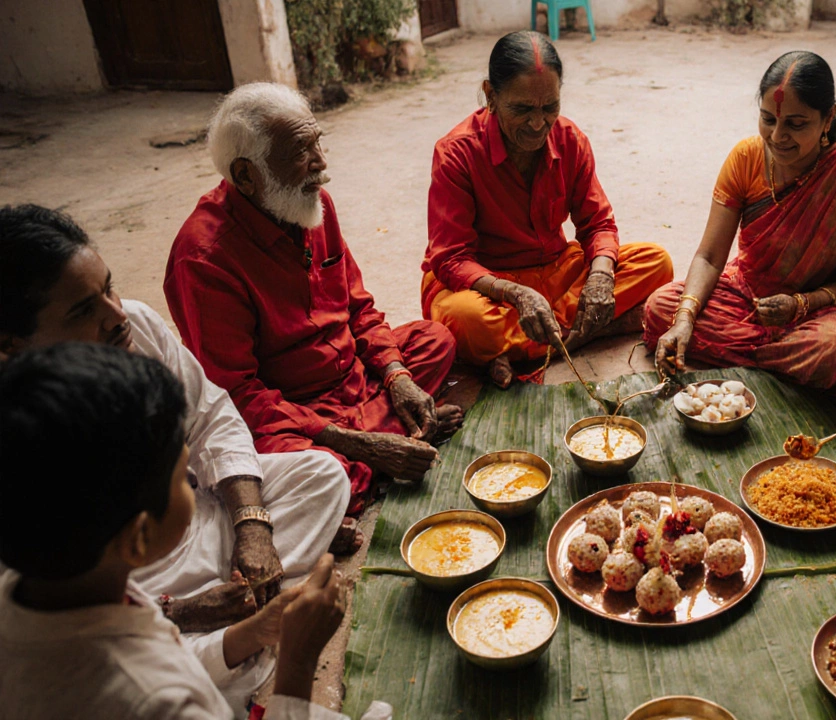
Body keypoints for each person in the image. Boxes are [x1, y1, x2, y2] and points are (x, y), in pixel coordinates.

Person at [0, 342, 352, 719]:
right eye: (184, 476)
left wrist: (253, 632)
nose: (194, 483)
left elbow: (152, 644)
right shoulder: (163, 700)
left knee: (321, 475)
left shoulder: (36, 590)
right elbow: (151, 668)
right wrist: (297, 663)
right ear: (139, 537)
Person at [165, 83, 462, 514]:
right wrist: (349, 438)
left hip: (353, 380)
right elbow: (238, 395)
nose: (321, 164)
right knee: (322, 470)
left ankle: (371, 454)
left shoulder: (312, 204)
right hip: (289, 412)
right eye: (299, 153)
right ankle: (374, 452)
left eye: (317, 142)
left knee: (435, 339)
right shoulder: (203, 257)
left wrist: (397, 378)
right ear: (247, 174)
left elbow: (359, 308)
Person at [645, 51, 836, 397]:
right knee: (662, 308)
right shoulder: (746, 157)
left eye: (796, 123)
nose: (777, 136)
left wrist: (799, 305)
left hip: (830, 307)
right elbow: (710, 257)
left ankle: (749, 362)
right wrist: (684, 320)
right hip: (751, 295)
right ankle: (779, 370)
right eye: (768, 120)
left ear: (827, 118)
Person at [423, 30, 673, 387]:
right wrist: (516, 294)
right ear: (491, 95)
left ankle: (521, 349)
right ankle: (589, 332)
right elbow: (450, 259)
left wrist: (600, 278)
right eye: (522, 109)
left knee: (655, 261)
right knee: (464, 319)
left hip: (557, 274)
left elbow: (598, 224)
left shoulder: (571, 140)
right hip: (490, 286)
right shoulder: (456, 153)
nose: (538, 124)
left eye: (549, 107)